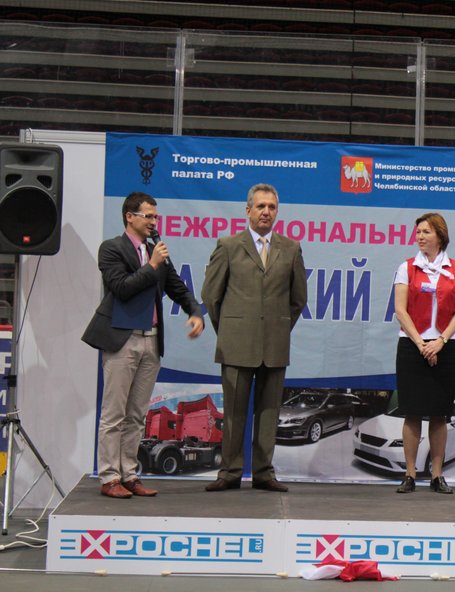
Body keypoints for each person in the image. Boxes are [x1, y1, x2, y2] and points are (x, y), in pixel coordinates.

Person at [82, 191, 205, 499]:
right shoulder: (112, 249)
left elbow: (176, 286)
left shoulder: (156, 251)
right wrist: (151, 265)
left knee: (137, 415)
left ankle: (129, 474)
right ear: (130, 216)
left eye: (156, 216)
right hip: (122, 339)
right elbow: (121, 288)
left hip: (151, 340)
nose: (153, 222)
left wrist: (195, 311)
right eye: (148, 216)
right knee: (114, 414)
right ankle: (109, 477)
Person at [201, 183, 308, 492]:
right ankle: (230, 472)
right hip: (236, 343)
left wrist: (277, 327)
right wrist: (231, 328)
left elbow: (298, 299)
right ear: (248, 210)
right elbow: (211, 296)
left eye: (272, 207)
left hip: (274, 344)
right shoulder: (228, 245)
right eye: (260, 206)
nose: (266, 212)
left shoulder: (291, 248)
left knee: (269, 412)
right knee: (234, 413)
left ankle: (263, 472)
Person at [392, 212, 455, 495]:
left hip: (445, 346)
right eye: (418, 232)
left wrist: (440, 341)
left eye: (426, 232)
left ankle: (437, 475)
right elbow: (400, 310)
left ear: (440, 235)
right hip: (412, 345)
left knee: (439, 413)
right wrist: (422, 343)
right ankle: (410, 474)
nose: (420, 237)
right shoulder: (406, 267)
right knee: (412, 411)